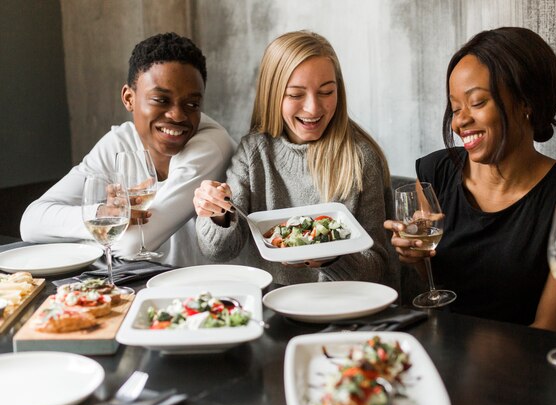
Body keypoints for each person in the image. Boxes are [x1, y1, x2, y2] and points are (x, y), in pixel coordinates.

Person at [384, 27, 556, 332]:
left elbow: (552, 329)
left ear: (526, 101)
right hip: (439, 351)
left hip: (523, 365)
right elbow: (439, 289)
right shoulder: (435, 173)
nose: (460, 121)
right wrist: (415, 258)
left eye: (477, 103)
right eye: (455, 107)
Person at [193, 30, 396, 287]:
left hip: (341, 309)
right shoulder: (254, 153)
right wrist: (217, 213)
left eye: (326, 92)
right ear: (273, 94)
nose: (313, 108)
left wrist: (330, 258)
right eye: (296, 94)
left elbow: (377, 269)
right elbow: (219, 251)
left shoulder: (360, 158)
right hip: (272, 305)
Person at [20, 32, 235, 267]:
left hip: (210, 292)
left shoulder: (211, 145)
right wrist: (103, 213)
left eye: (192, 104)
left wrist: (105, 233)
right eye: (161, 100)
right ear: (129, 98)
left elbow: (132, 245)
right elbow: (31, 222)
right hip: (145, 285)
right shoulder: (118, 142)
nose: (177, 115)